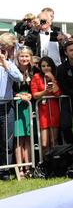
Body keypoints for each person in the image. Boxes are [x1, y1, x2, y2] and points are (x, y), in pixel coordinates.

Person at [0, 33, 23, 177]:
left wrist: (5, 64)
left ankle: (5, 170)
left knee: (6, 140)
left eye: (7, 49)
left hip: (6, 107)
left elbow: (19, 77)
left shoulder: (10, 65)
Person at [31, 56, 61, 155]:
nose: (46, 68)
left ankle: (55, 164)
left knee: (54, 140)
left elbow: (58, 93)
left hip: (54, 110)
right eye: (43, 66)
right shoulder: (36, 77)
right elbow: (35, 95)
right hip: (43, 112)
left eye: (48, 65)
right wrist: (45, 92)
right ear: (40, 67)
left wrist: (52, 79)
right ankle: (45, 164)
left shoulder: (56, 75)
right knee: (44, 143)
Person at [13, 46, 34, 178]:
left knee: (28, 138)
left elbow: (36, 87)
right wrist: (20, 96)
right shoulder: (13, 70)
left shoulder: (34, 71)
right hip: (16, 106)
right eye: (22, 56)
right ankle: (19, 169)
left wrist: (31, 95)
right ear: (17, 58)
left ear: (30, 57)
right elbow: (8, 89)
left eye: (27, 56)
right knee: (18, 139)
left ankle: (28, 168)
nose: (24, 58)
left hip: (29, 106)